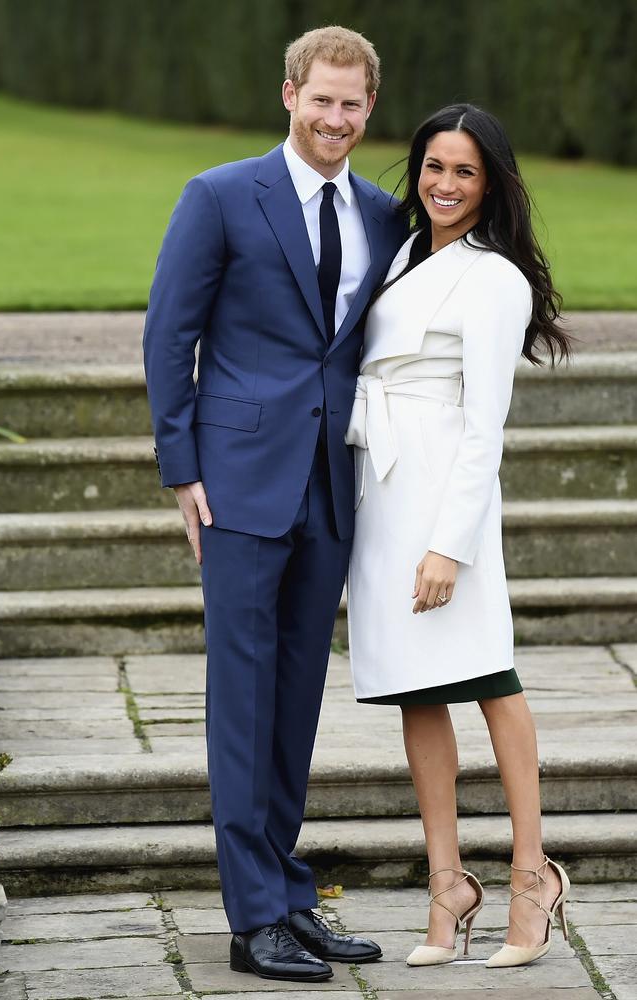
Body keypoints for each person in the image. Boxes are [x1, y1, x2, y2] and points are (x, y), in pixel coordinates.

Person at [143, 25, 408, 983]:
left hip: (331, 487)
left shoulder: (383, 212)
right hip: (239, 485)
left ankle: (289, 897)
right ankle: (252, 915)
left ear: (368, 109)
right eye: (321, 99)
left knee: (296, 700)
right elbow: (169, 334)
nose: (335, 118)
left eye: (352, 105)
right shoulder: (219, 196)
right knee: (242, 700)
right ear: (288, 94)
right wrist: (183, 469)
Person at [346, 103, 573, 969]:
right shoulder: (404, 252)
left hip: (446, 492)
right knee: (416, 689)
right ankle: (447, 890)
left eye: (465, 172)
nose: (445, 185)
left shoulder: (493, 279)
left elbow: (486, 428)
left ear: (493, 185)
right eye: (434, 167)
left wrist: (452, 545)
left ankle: (529, 876)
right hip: (384, 491)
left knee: (490, 679)